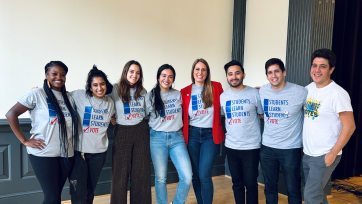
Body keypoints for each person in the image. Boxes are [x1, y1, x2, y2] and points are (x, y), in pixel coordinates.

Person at [5, 61, 79, 204]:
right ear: (46, 75)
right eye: (54, 74)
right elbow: (11, 114)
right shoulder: (37, 94)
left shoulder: (69, 98)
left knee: (57, 196)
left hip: (66, 154)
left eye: (62, 75)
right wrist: (24, 140)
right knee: (51, 197)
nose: (59, 77)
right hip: (43, 153)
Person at [302, 49, 355, 204]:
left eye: (323, 66)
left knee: (311, 197)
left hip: (324, 154)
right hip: (308, 153)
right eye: (314, 65)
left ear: (331, 69)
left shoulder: (337, 94)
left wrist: (332, 153)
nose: (317, 70)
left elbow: (350, 126)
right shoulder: (309, 88)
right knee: (318, 194)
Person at [259, 58, 307, 204]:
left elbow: (311, 115)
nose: (274, 75)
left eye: (277, 71)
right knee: (270, 188)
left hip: (290, 149)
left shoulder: (301, 92)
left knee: (293, 189)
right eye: (270, 73)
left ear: (284, 72)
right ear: (267, 76)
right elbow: (262, 113)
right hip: (267, 147)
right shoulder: (262, 90)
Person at [146, 64, 192, 204]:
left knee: (187, 176)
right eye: (164, 75)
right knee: (160, 178)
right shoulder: (150, 96)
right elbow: (142, 116)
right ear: (159, 77)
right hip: (157, 138)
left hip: (177, 138)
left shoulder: (178, 94)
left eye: (170, 76)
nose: (167, 79)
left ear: (173, 79)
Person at [68, 65, 115, 204]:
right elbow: (60, 94)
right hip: (79, 152)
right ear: (89, 87)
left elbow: (116, 116)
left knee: (90, 190)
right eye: (95, 85)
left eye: (102, 84)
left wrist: (115, 119)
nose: (99, 88)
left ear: (106, 85)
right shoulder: (79, 95)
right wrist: (40, 90)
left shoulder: (110, 102)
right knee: (77, 192)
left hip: (99, 153)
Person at [180, 58, 225, 204]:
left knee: (204, 174)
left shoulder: (216, 87)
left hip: (210, 136)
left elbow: (229, 99)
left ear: (207, 72)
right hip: (192, 135)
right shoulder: (185, 91)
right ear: (193, 72)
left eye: (203, 69)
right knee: (195, 175)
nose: (200, 72)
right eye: (197, 69)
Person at [220, 60, 263, 204]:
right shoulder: (223, 97)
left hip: (251, 147)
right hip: (231, 147)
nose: (234, 77)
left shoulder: (255, 93)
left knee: (251, 184)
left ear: (243, 74)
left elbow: (263, 115)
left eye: (237, 73)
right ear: (226, 77)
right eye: (230, 74)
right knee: (236, 184)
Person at [110, 60, 151, 204]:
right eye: (132, 71)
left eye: (138, 72)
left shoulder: (143, 91)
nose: (134, 75)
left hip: (141, 131)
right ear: (125, 72)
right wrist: (110, 117)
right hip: (122, 131)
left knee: (141, 173)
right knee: (120, 174)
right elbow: (102, 102)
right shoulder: (114, 89)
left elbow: (148, 112)